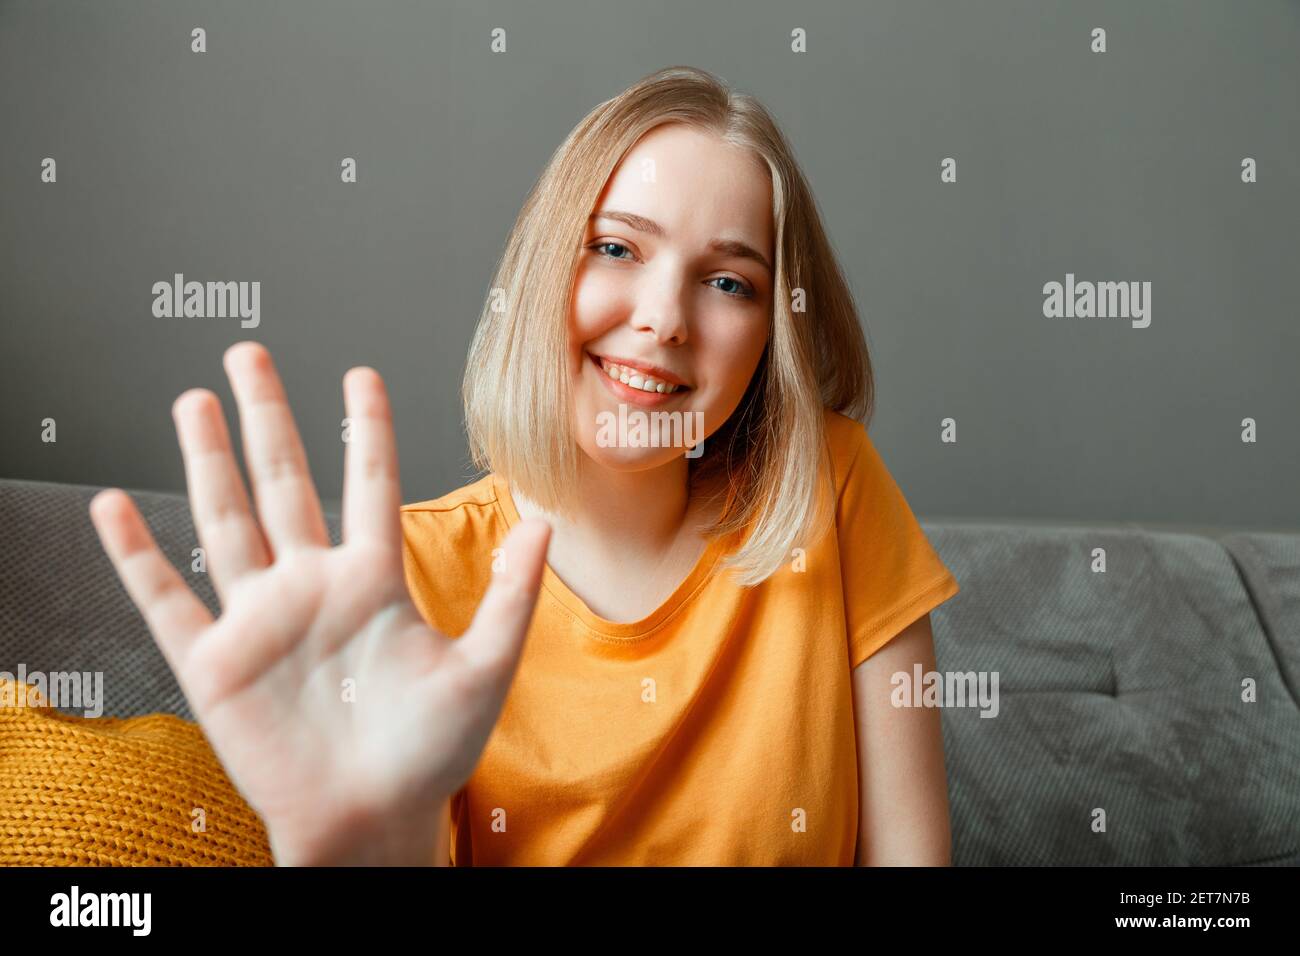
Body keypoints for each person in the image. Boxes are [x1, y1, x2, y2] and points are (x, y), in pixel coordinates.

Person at [89, 66, 959, 866]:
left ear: (774, 335)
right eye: (617, 248)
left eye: (729, 283)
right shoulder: (404, 578)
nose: (663, 319)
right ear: (543, 270)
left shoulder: (828, 482)